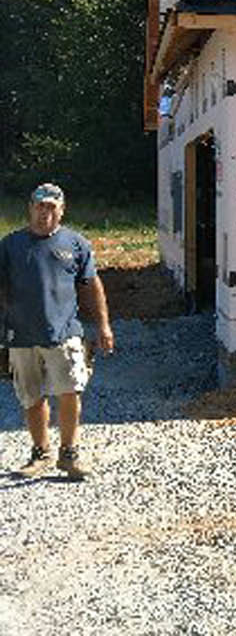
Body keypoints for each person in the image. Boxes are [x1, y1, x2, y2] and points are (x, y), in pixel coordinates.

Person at [0, 183, 114, 481]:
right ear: (30, 208)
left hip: (64, 334)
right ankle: (41, 453)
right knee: (31, 398)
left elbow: (91, 286)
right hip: (21, 335)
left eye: (51, 207)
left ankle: (69, 454)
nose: (45, 212)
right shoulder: (10, 245)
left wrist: (103, 325)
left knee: (70, 392)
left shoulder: (76, 244)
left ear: (61, 210)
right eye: (40, 206)